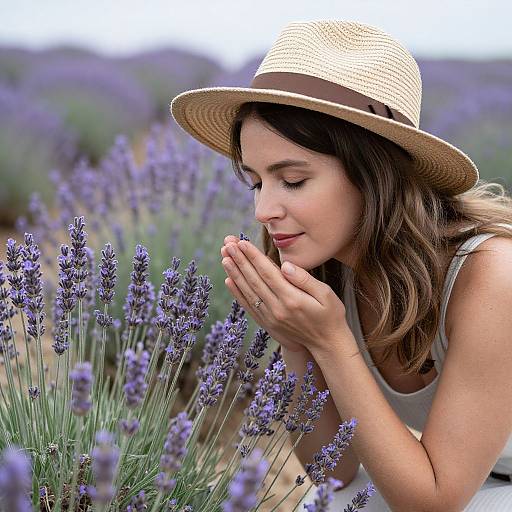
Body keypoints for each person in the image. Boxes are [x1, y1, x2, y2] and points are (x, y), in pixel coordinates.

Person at [170, 19, 512, 511]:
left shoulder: (489, 275)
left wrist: (331, 339)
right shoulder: (329, 267)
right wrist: (296, 341)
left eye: (291, 180)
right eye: (255, 181)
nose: (263, 210)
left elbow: (433, 503)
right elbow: (335, 471)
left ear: (372, 175)